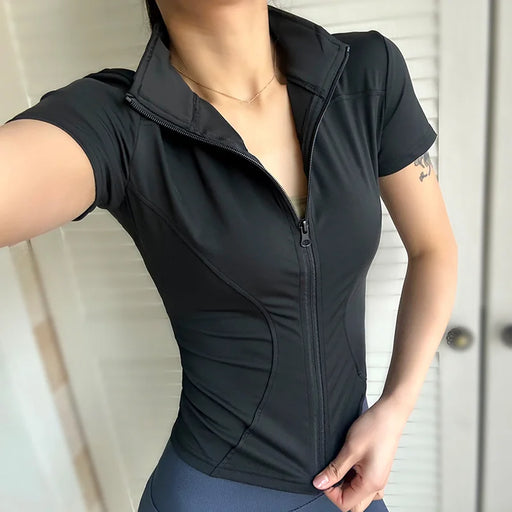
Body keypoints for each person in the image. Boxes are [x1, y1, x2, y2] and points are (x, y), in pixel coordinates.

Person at [0, 1, 458, 511]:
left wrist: (396, 407)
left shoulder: (367, 74)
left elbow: (433, 249)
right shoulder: (119, 122)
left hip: (351, 480)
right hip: (215, 494)